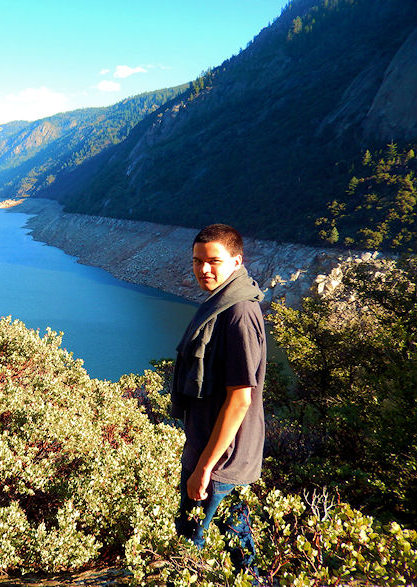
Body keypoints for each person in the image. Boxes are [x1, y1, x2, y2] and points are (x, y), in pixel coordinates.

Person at [171, 223, 266, 573]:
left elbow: (240, 398)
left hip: (222, 460)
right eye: (197, 261)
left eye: (214, 261)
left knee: (191, 541)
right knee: (235, 543)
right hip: (216, 453)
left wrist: (204, 468)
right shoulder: (219, 305)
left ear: (237, 261)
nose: (204, 269)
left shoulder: (239, 314)